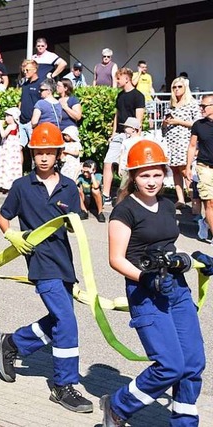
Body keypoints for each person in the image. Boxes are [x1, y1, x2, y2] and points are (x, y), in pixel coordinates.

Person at [101, 139, 205, 427]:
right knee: (170, 365)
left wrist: (191, 260)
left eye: (157, 174)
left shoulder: (169, 205)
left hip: (177, 289)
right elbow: (116, 259)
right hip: (145, 291)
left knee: (193, 363)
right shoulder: (124, 211)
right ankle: (117, 406)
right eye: (144, 175)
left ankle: (184, 423)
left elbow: (168, 243)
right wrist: (146, 278)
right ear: (133, 176)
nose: (151, 181)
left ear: (164, 173)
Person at [0, 122, 93, 414]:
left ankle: (12, 343)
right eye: (39, 153)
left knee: (59, 320)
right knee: (67, 322)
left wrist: (77, 215)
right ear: (32, 154)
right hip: (40, 263)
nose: (44, 158)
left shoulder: (69, 187)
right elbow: (3, 217)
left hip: (64, 264)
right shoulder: (22, 186)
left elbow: (75, 226)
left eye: (50, 153)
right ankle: (64, 384)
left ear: (59, 154)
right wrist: (11, 234)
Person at [102, 68, 145, 205]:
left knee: (127, 166)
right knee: (108, 162)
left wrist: (136, 136)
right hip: (119, 134)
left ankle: (126, 195)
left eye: (119, 78)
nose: (117, 81)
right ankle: (106, 195)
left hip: (131, 135)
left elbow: (139, 118)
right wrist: (113, 132)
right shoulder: (120, 95)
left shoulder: (138, 96)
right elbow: (117, 114)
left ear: (127, 78)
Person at [162, 77, 200, 209]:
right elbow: (165, 123)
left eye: (179, 87)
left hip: (185, 142)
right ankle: (180, 199)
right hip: (171, 141)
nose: (177, 89)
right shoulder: (171, 104)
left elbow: (197, 124)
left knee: (186, 171)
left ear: (185, 88)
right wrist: (165, 123)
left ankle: (194, 200)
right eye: (174, 87)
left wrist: (179, 121)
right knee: (175, 170)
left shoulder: (192, 103)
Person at [186, 94, 213, 242]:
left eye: (204, 106)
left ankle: (205, 222)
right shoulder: (198, 125)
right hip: (205, 167)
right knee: (209, 202)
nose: (201, 108)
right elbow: (191, 146)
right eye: (200, 106)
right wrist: (188, 167)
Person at [0, 107, 22, 193]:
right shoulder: (16, 126)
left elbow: (3, 135)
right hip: (11, 146)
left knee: (7, 163)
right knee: (8, 164)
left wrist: (0, 126)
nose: (6, 118)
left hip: (9, 147)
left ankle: (6, 184)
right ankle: (4, 184)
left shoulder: (11, 126)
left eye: (9, 116)